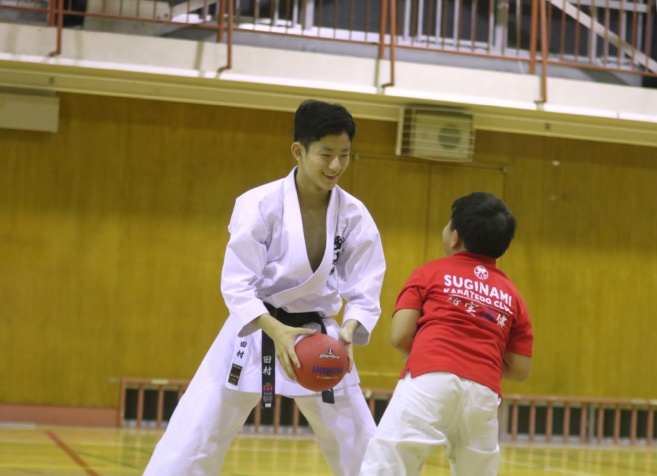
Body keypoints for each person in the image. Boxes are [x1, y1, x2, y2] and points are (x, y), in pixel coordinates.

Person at [144, 99, 386, 476]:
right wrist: (277, 331)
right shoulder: (258, 204)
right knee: (194, 436)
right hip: (256, 328)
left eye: (345, 154)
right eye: (326, 154)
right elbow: (237, 284)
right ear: (298, 150)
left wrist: (350, 331)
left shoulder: (354, 215)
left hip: (319, 339)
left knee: (359, 442)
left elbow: (365, 285)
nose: (336, 165)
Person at [359, 192, 533, 476]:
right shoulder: (513, 296)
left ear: (454, 237)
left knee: (388, 465)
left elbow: (400, 335)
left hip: (429, 379)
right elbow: (520, 368)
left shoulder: (429, 273)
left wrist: (437, 354)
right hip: (483, 392)